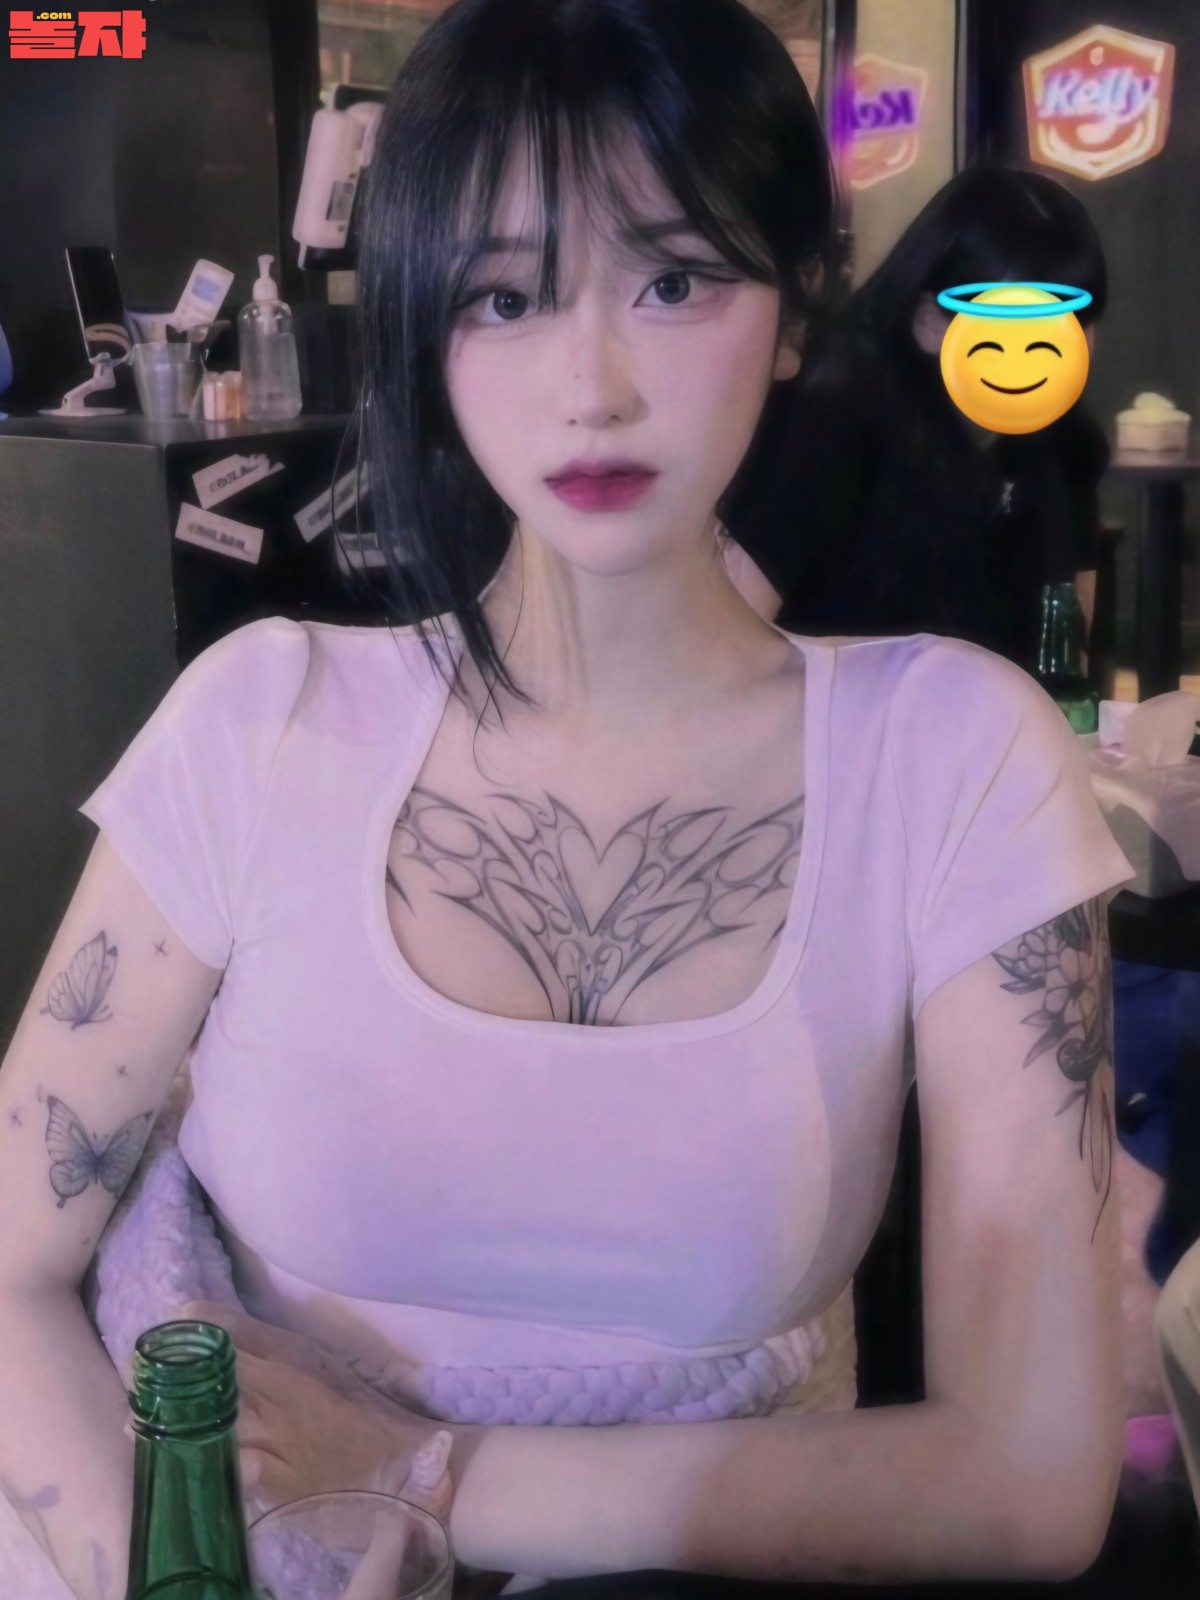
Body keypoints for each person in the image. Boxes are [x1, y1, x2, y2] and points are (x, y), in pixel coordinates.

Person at [0, 3, 1135, 1595]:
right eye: (503, 296)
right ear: (423, 325)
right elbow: (13, 1269)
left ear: (794, 306)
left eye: (672, 281)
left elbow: (1030, 1480)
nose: (591, 387)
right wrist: (179, 1563)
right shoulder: (261, 724)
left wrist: (419, 1480)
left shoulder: (955, 758)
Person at [724, 166, 1110, 673]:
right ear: (931, 322)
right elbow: (725, 634)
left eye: (1073, 323)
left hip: (1001, 722)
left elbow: (1067, 651)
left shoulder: (1067, 445)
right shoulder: (829, 423)